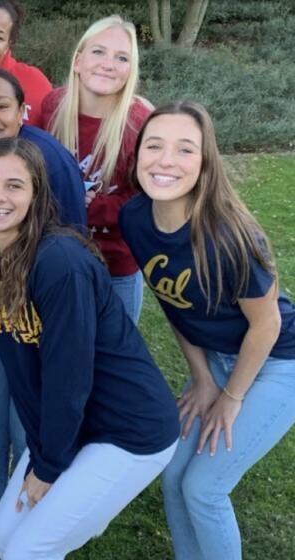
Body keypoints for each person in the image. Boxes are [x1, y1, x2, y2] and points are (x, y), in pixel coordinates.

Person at [0, 137, 179, 559]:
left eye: (15, 186)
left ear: (37, 195)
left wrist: (49, 466)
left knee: (28, 550)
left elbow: (67, 376)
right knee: (3, 540)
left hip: (129, 431)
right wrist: (44, 453)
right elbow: (26, 378)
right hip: (71, 428)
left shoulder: (59, 262)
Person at [119, 101, 295, 560]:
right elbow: (174, 303)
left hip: (278, 362)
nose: (166, 161)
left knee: (204, 488)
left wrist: (230, 397)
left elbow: (267, 322)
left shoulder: (231, 236)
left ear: (204, 162)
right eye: (154, 146)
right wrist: (201, 378)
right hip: (216, 359)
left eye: (185, 149)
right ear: (138, 154)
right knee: (174, 476)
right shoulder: (136, 218)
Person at [0, 65, 86, 558]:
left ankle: (31, 521)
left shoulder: (48, 160)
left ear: (22, 111)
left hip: (36, 321)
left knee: (26, 422)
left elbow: (70, 245)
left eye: (1, 105)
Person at [39, 15, 152, 323]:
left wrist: (99, 207)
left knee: (114, 361)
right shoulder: (52, 107)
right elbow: (31, 170)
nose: (108, 63)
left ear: (130, 71)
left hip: (116, 265)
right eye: (98, 51)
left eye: (121, 57)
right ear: (78, 60)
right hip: (56, 258)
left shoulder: (140, 122)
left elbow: (148, 199)